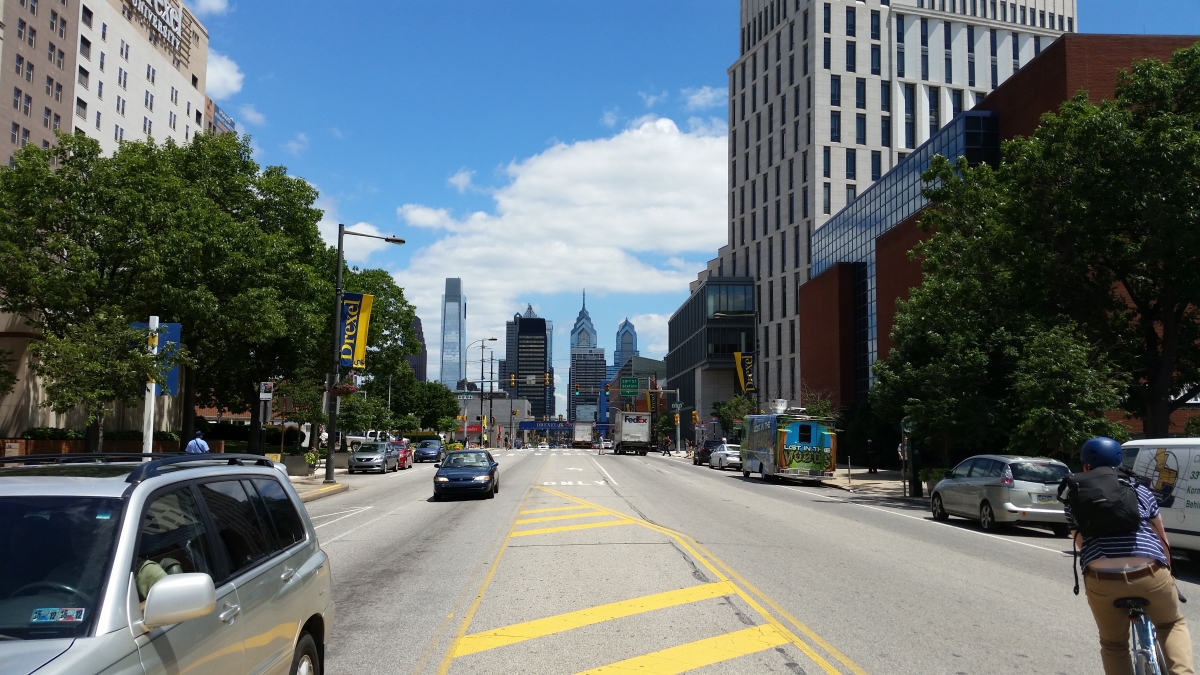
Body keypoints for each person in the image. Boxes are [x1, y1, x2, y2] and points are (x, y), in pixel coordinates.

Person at [1066, 436, 1194, 675]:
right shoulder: (1139, 490)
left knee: (1113, 644)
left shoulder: (1075, 498)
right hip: (1149, 573)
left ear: (1085, 466)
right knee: (1170, 623)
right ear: (1119, 461)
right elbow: (1161, 537)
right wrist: (1169, 570)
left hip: (1103, 579)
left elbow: (1082, 543)